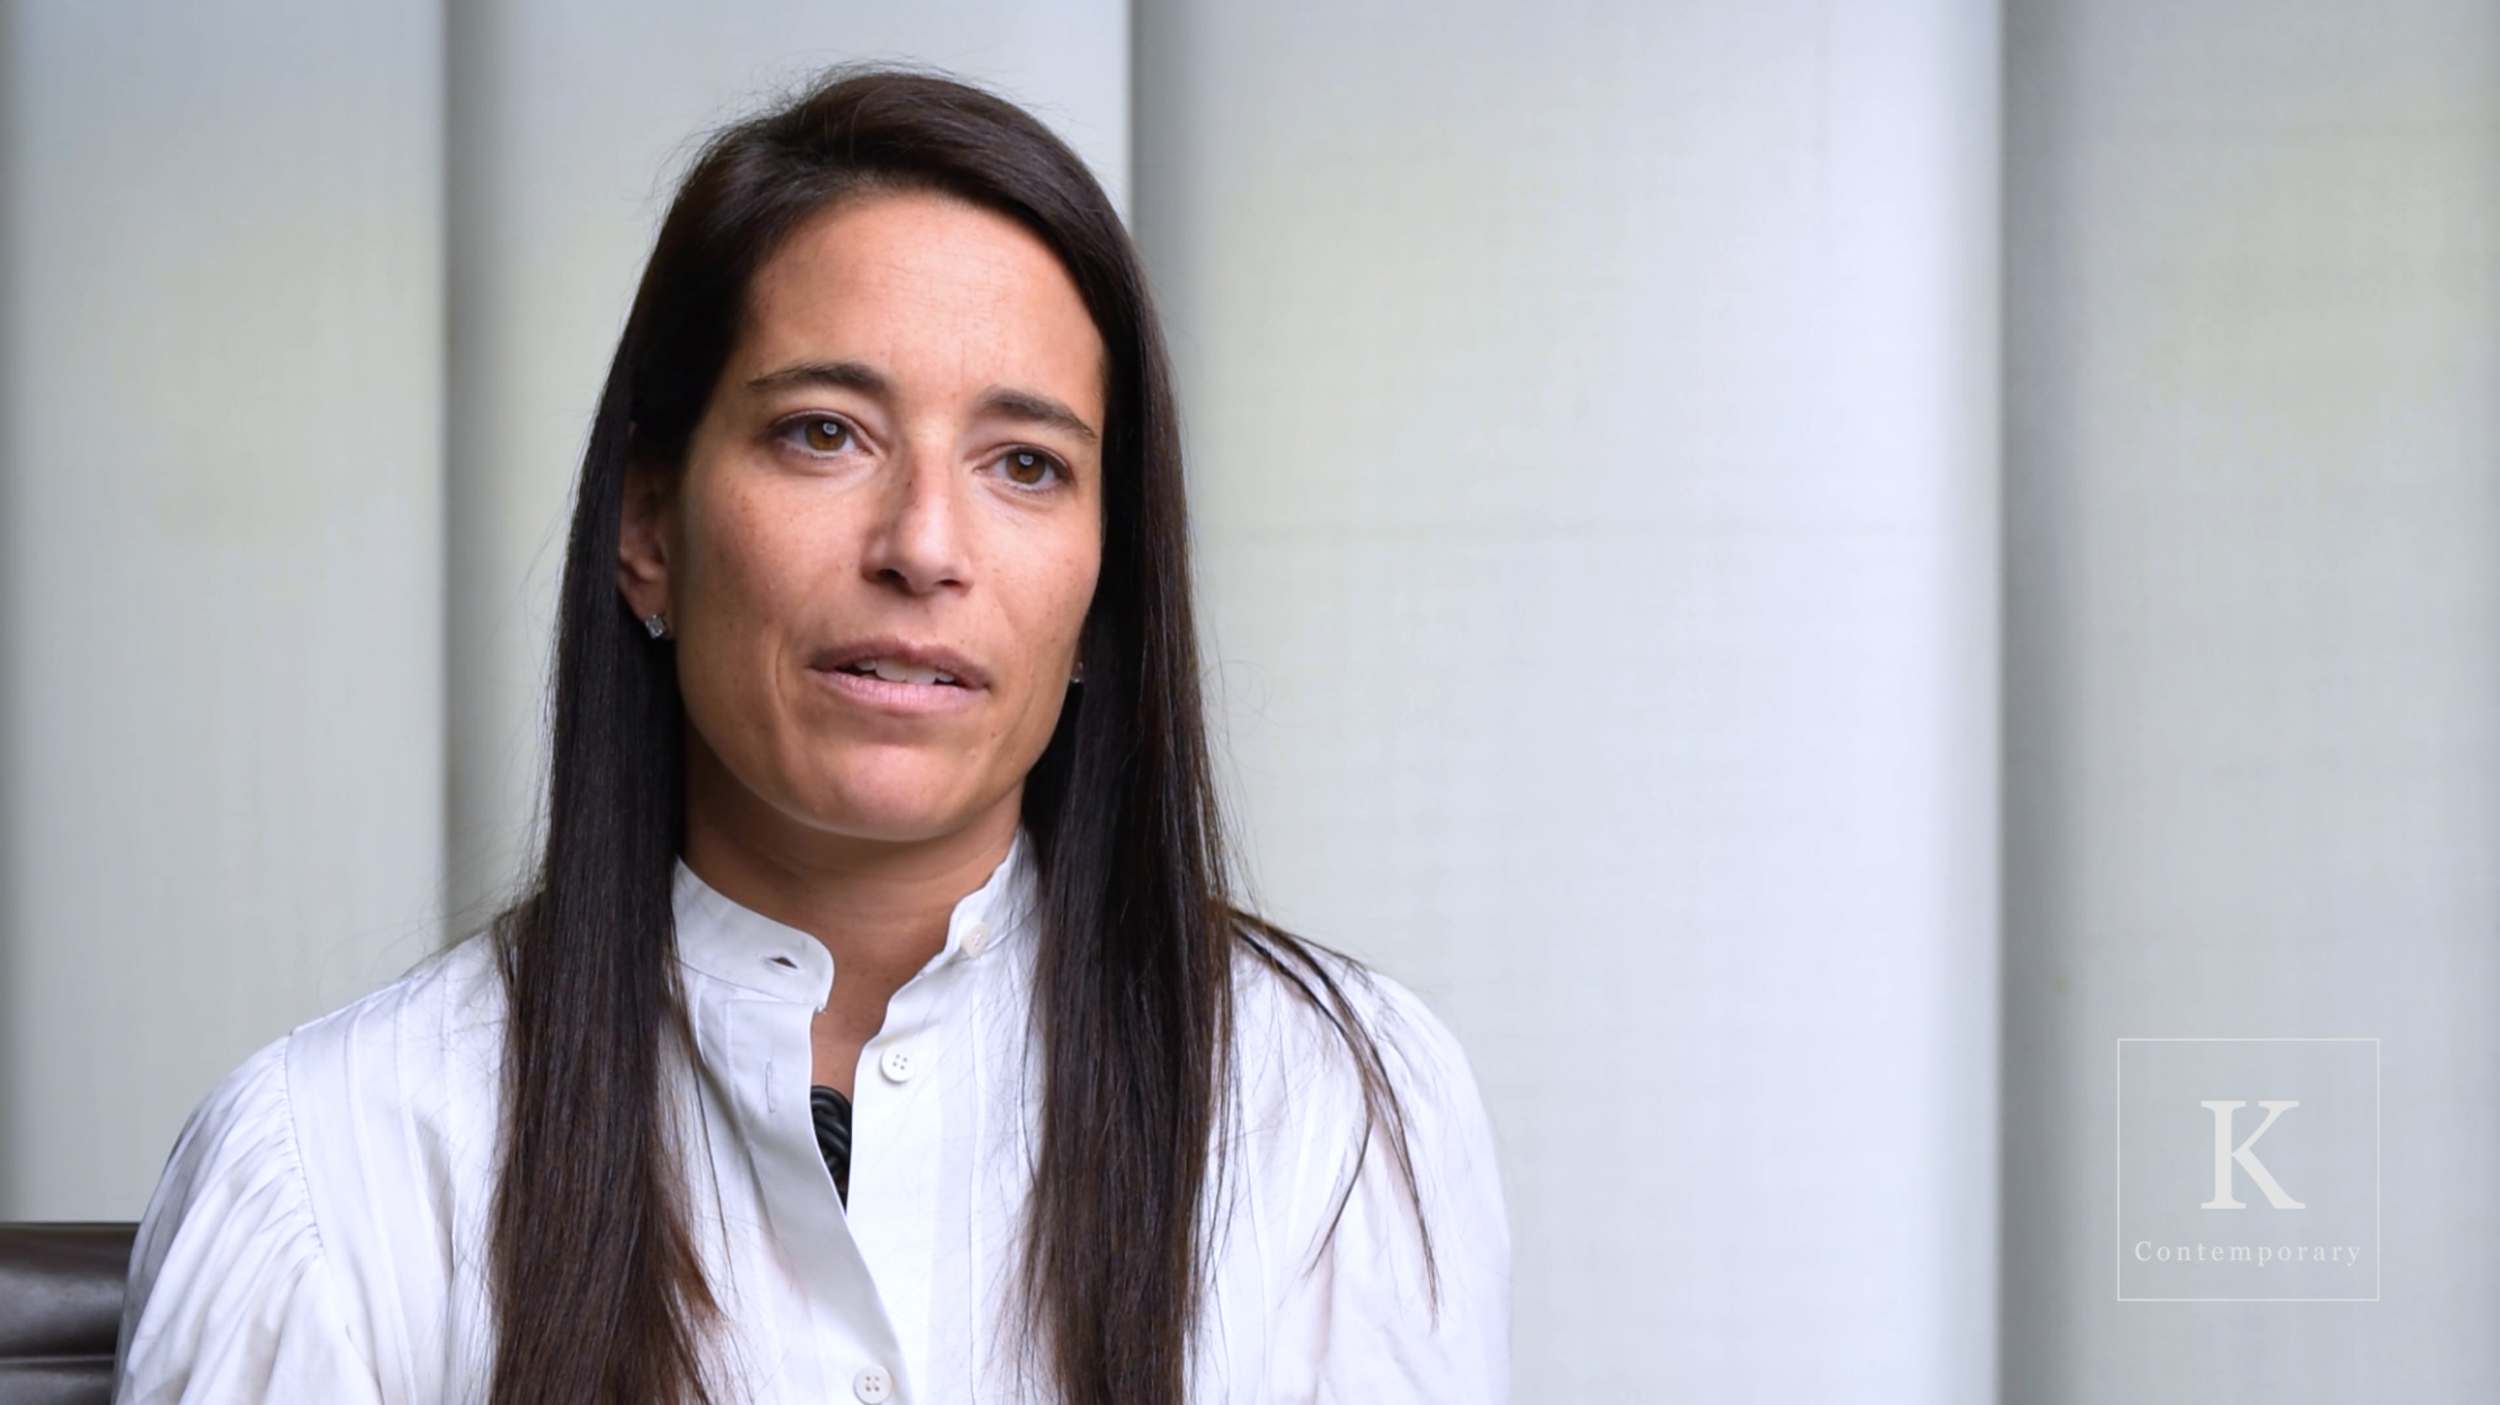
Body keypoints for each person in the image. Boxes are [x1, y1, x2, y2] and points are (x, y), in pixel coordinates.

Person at [112, 68, 1507, 1405]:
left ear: (1103, 590)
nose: (925, 545)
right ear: (646, 527)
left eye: (1026, 464)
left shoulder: (1332, 1110)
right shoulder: (327, 1165)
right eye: (824, 433)